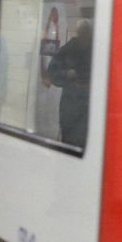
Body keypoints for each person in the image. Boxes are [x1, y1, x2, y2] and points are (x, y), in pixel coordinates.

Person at [43, 19, 93, 151]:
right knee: (68, 147)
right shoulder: (69, 48)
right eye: (82, 32)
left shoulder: (97, 50)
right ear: (78, 33)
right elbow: (51, 72)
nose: (84, 36)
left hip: (91, 109)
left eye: (87, 32)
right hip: (70, 108)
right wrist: (66, 74)